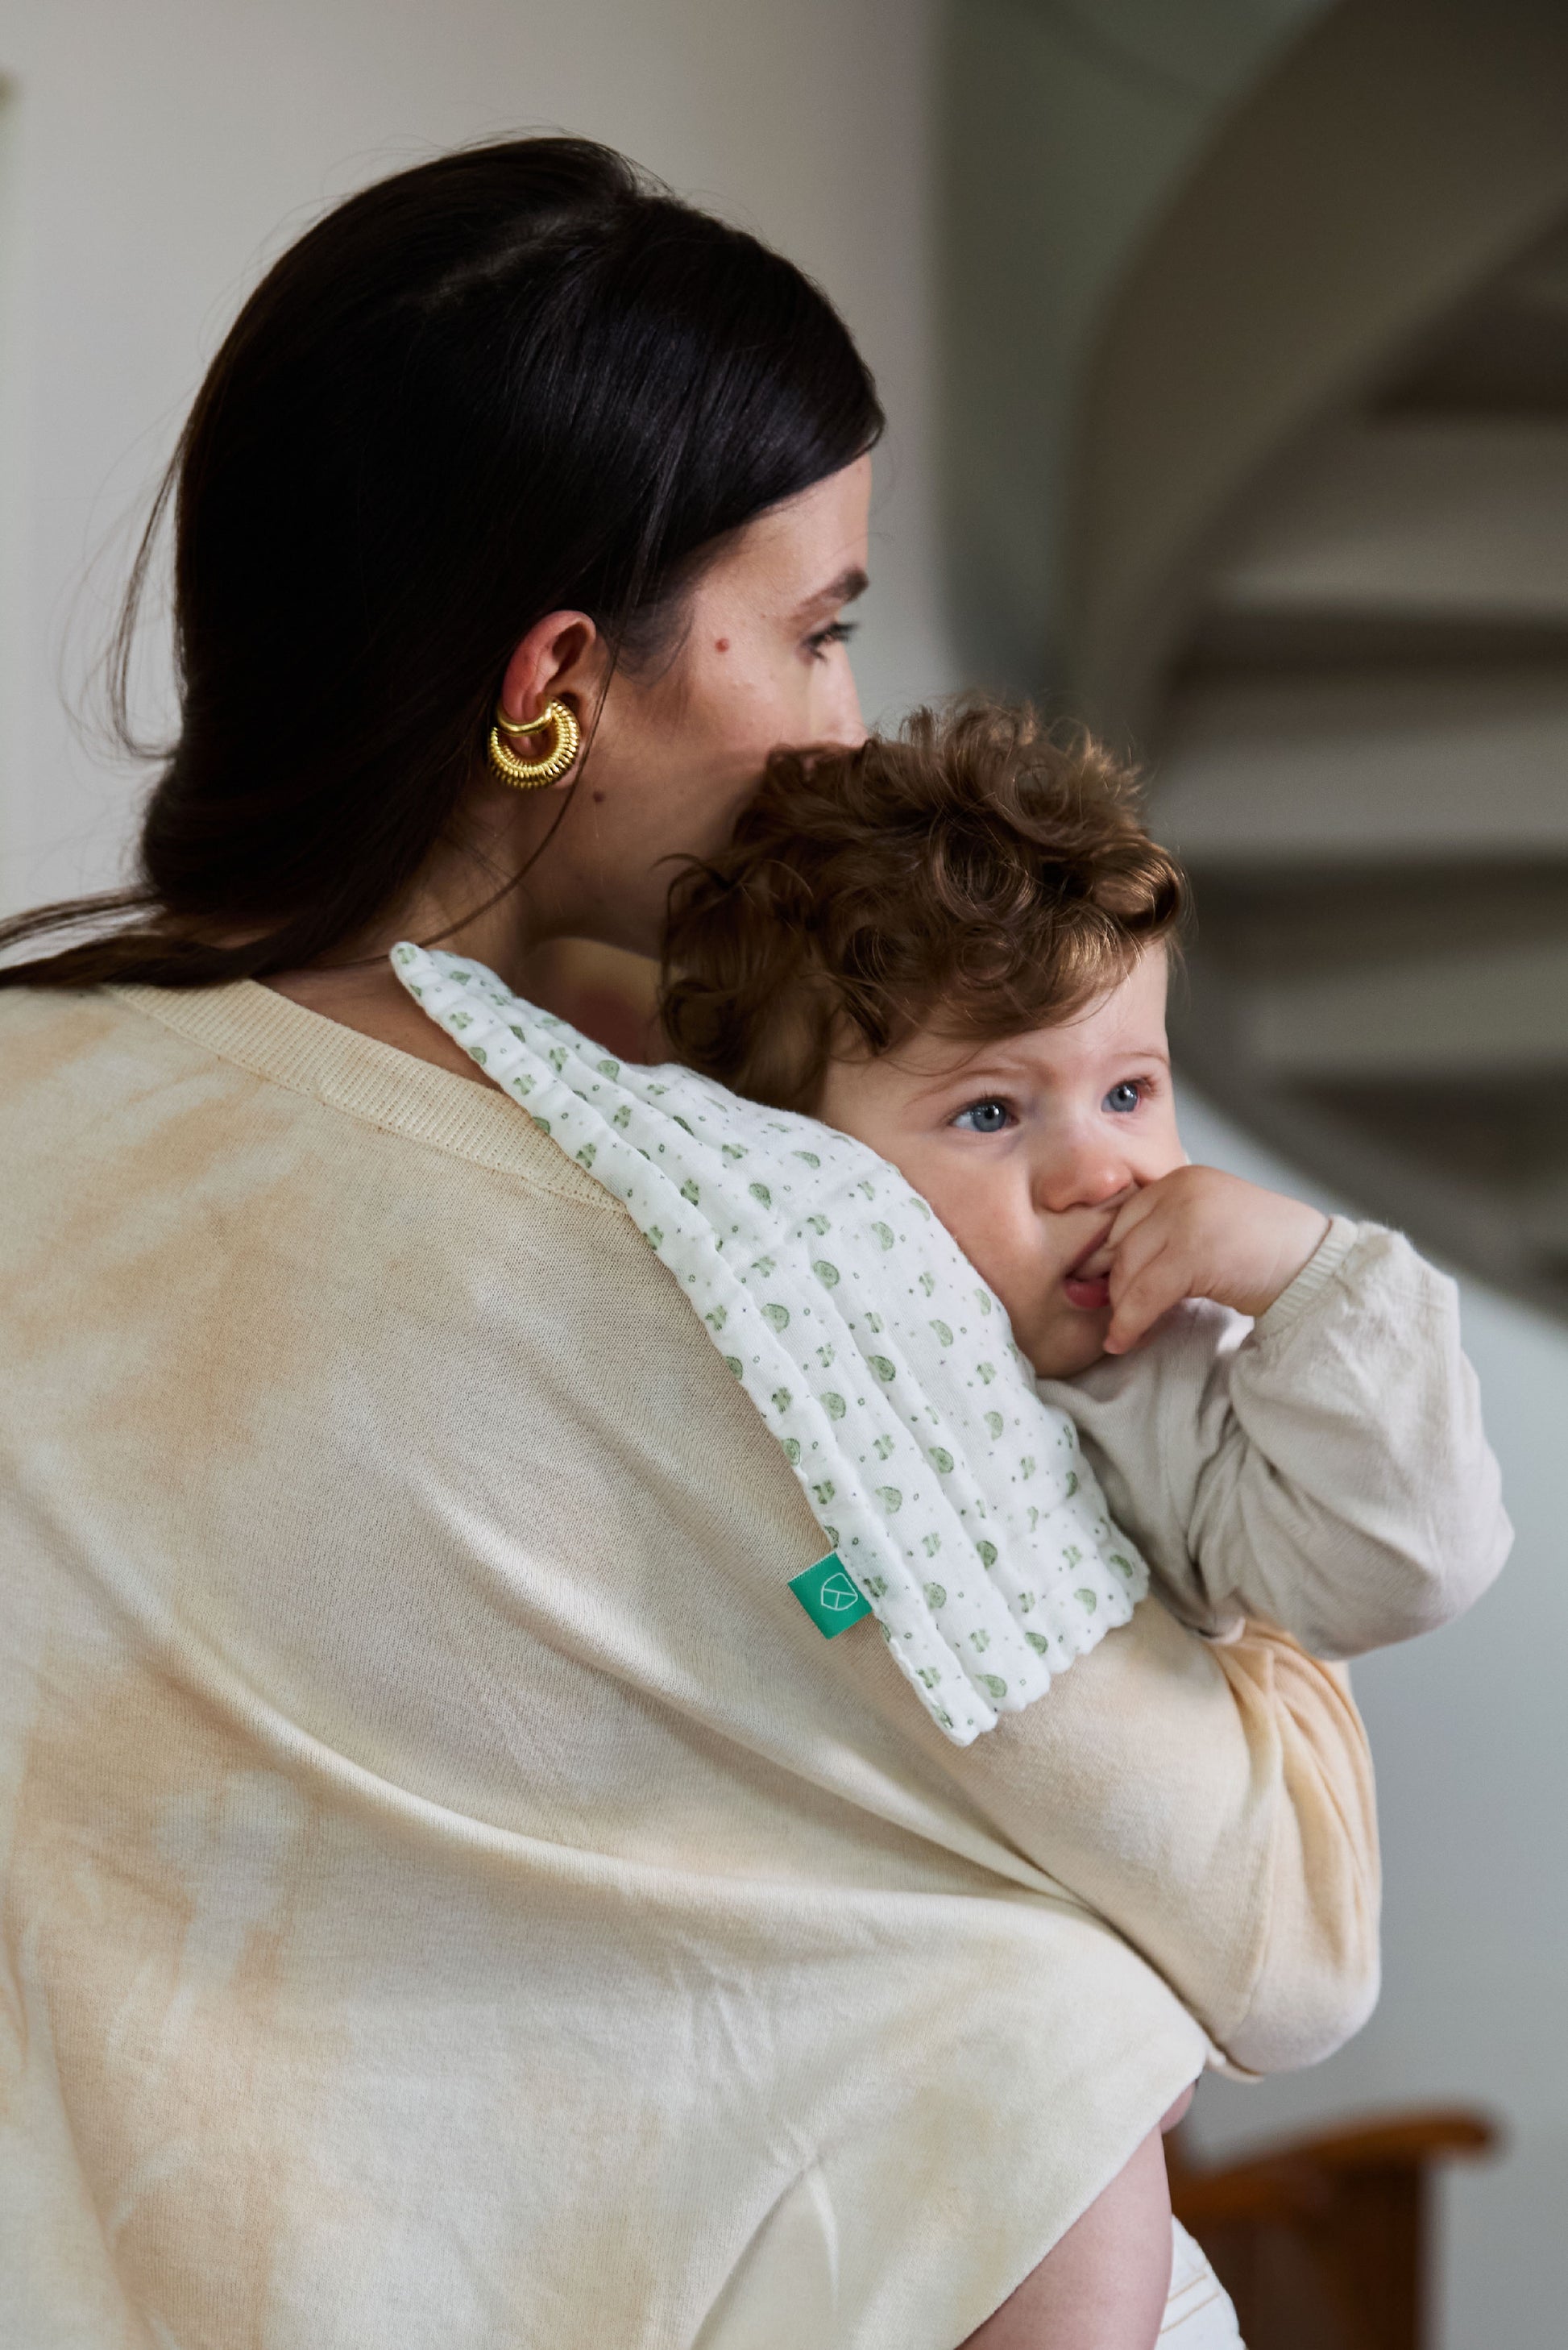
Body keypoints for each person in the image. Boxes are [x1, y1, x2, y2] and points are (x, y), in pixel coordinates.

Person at [2, 139, 1377, 2350]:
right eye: (815, 630)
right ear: (555, 676)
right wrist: (1242, 1433)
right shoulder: (755, 1243)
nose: (842, 730)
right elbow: (1281, 1935)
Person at [396, 700, 1511, 2348]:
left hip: (1052, 2010)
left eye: (1129, 1090)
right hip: (789, 1998)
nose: (1098, 1172)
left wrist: (1316, 1279)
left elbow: (1406, 1563)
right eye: (993, 1113)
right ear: (793, 1165)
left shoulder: (1168, 1381)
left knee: (1074, 2170)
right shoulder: (761, 1353)